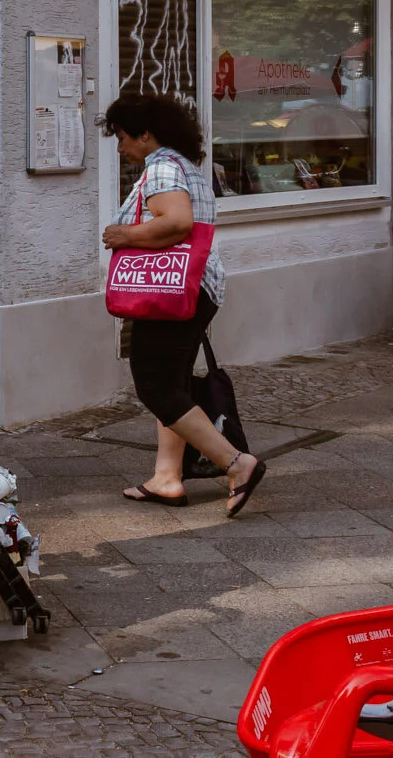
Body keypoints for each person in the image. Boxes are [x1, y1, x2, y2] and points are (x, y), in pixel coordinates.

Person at [102, 92, 266, 517]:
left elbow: (176, 223)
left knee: (154, 386)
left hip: (169, 290)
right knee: (172, 386)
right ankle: (167, 477)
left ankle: (236, 463)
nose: (121, 149)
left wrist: (123, 235)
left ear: (145, 133)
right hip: (198, 287)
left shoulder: (160, 167)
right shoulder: (186, 165)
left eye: (122, 138)